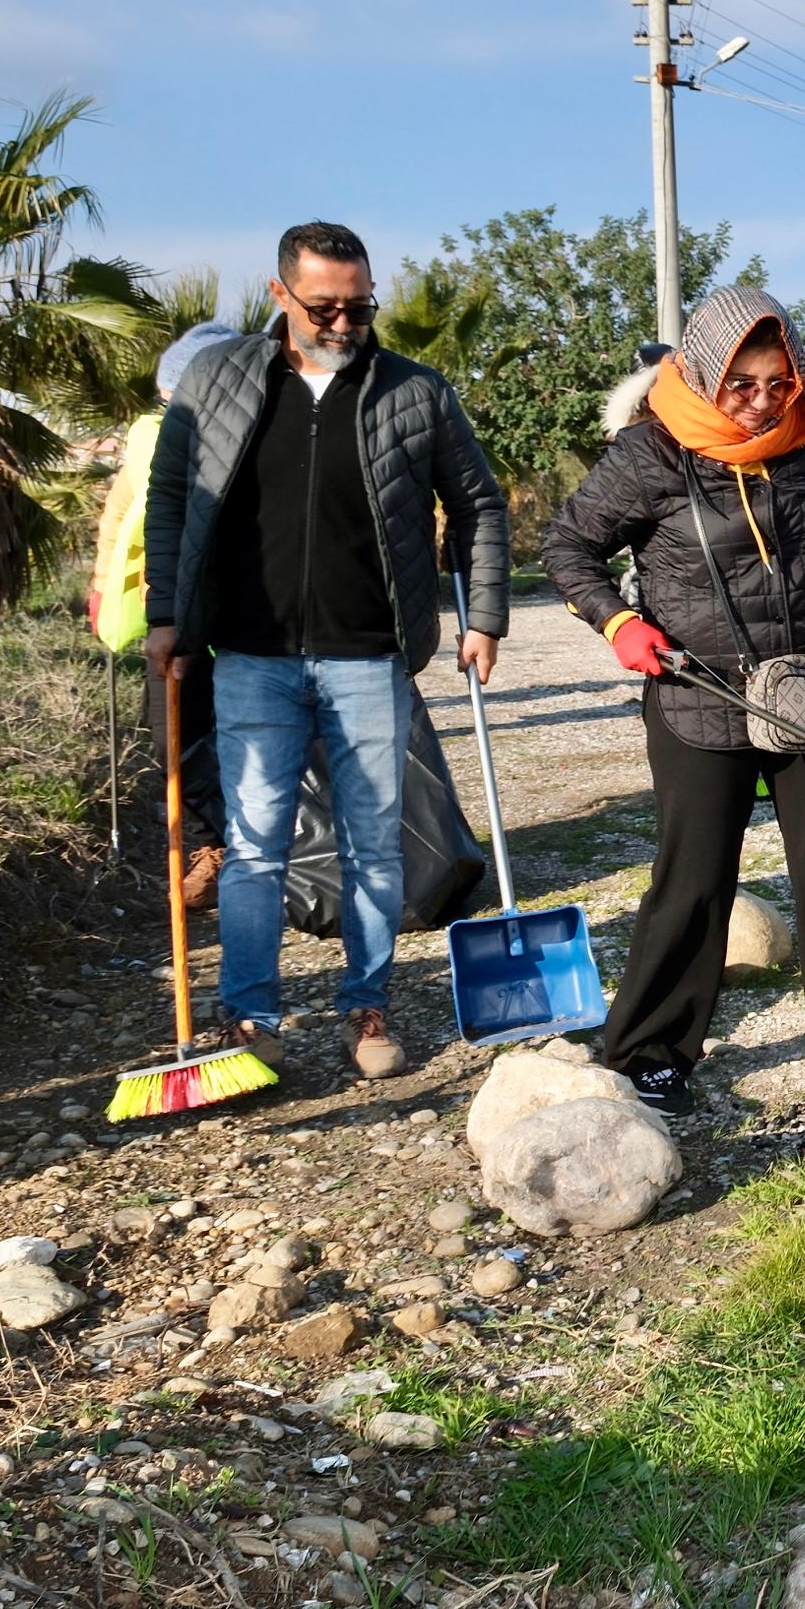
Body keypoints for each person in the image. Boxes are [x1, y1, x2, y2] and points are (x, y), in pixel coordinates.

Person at [540, 284, 805, 1117]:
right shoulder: (650, 454)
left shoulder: (799, 444)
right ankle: (651, 1053)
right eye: (742, 384)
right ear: (700, 372)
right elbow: (567, 545)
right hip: (699, 693)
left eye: (777, 383)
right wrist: (615, 620)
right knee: (694, 883)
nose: (762, 403)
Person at [141, 221, 511, 1083]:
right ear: (280, 296)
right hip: (251, 653)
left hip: (370, 654)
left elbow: (481, 505)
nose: (345, 324)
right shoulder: (216, 379)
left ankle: (366, 1003)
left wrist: (484, 616)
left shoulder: (415, 392)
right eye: (325, 308)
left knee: (374, 845)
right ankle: (251, 1017)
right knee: (256, 840)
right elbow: (170, 496)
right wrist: (168, 613)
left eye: (359, 306)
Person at [94, 322, 239, 907]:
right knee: (170, 736)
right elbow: (120, 512)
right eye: (166, 395)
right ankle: (209, 847)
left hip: (241, 619)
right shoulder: (148, 438)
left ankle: (258, 853)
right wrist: (104, 583)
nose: (168, 406)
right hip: (169, 613)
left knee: (248, 736)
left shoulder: (249, 439)